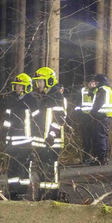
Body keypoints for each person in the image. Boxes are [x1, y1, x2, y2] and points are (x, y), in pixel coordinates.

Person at [31, 67, 67, 200]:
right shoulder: (45, 97)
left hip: (52, 141)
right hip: (43, 141)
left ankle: (51, 196)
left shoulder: (56, 96)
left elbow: (60, 118)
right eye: (37, 82)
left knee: (50, 169)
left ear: (49, 81)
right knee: (42, 169)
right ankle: (44, 194)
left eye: (40, 81)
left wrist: (51, 136)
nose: (38, 84)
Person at [3, 74, 37, 200]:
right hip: (12, 140)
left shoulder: (32, 101)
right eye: (16, 85)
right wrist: (5, 134)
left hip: (26, 140)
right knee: (12, 168)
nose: (17, 87)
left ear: (26, 87)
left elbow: (37, 121)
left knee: (23, 168)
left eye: (20, 85)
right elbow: (7, 119)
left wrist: (35, 137)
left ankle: (22, 191)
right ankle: (12, 191)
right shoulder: (11, 100)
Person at [86, 74, 112, 165]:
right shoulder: (108, 89)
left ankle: (101, 158)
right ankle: (103, 157)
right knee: (104, 137)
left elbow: (98, 103)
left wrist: (92, 113)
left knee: (100, 137)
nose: (95, 84)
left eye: (96, 82)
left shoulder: (101, 90)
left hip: (101, 116)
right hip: (106, 116)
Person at [76, 79, 97, 164]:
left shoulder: (97, 91)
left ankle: (94, 157)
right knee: (86, 139)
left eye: (93, 83)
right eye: (90, 83)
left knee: (95, 138)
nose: (91, 84)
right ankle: (86, 158)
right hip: (85, 117)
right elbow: (77, 102)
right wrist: (79, 113)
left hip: (94, 117)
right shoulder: (83, 90)